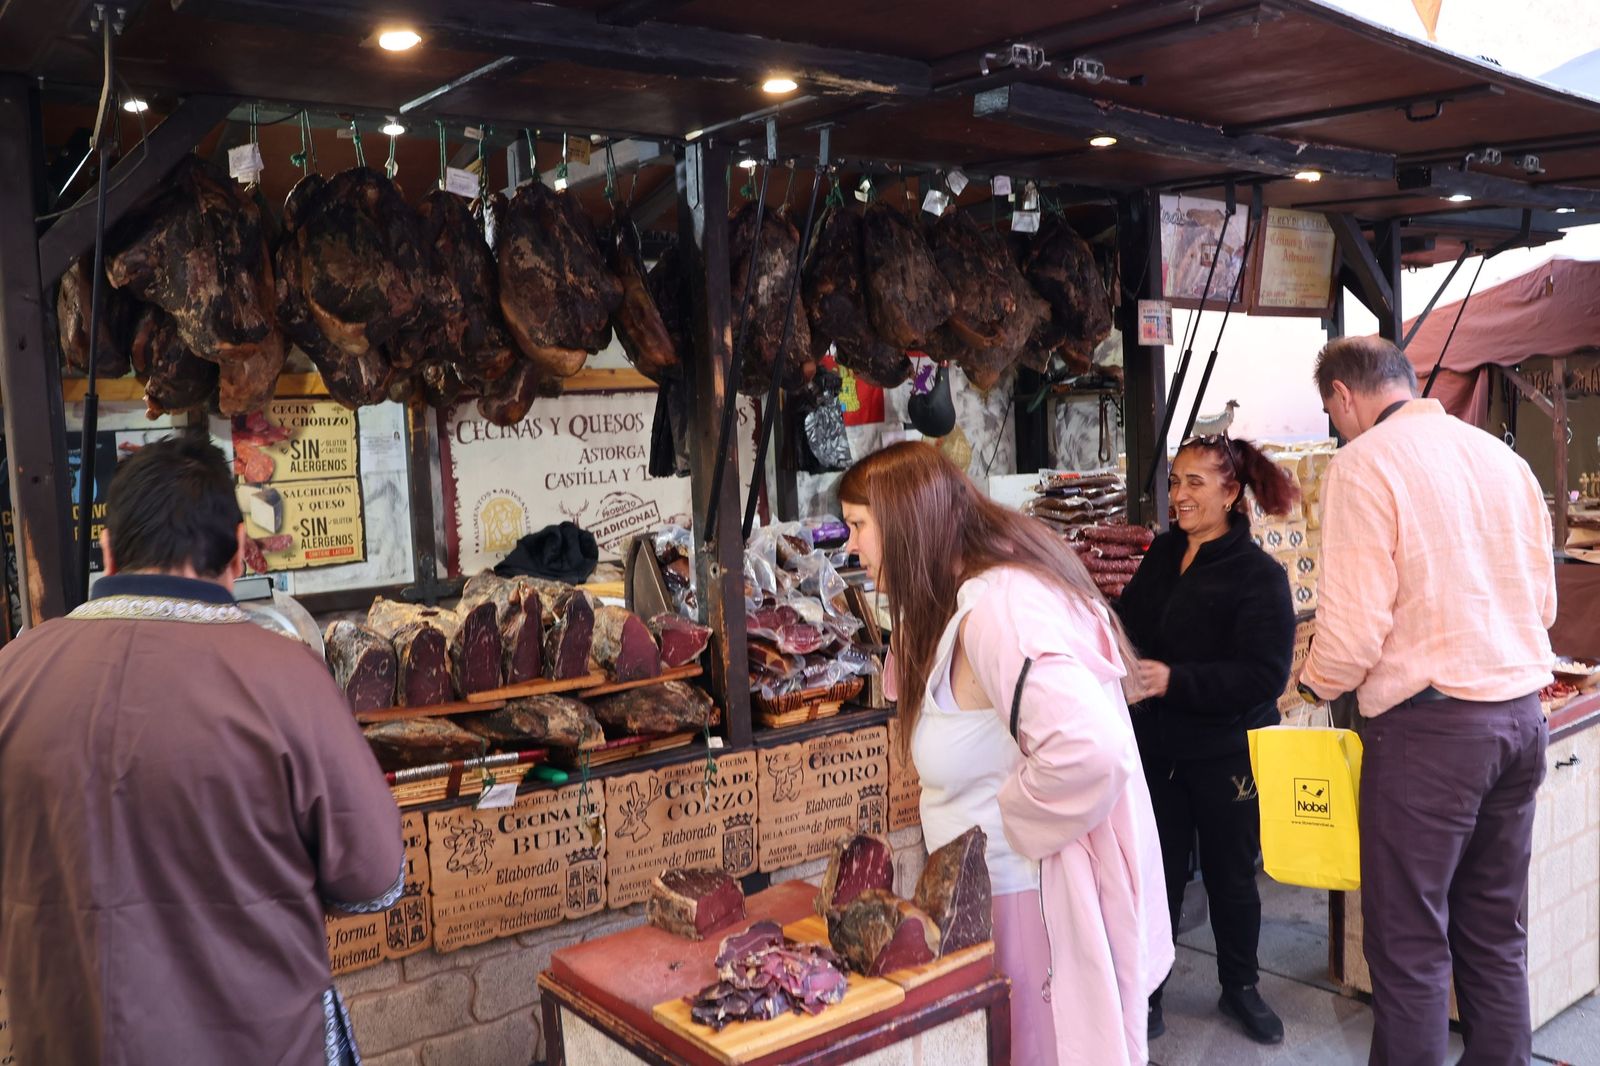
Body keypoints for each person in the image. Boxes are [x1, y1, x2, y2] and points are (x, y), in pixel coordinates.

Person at [0, 435, 405, 1065]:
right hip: (260, 1046)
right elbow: (374, 881)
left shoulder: (11, 674)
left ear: (107, 553)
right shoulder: (287, 676)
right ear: (240, 552)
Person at [840, 441, 1171, 1066]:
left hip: (1021, 907)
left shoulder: (999, 608)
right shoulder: (951, 598)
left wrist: (1012, 823)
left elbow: (1089, 753)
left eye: (859, 525)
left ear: (908, 521)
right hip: (981, 897)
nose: (851, 545)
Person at [1299, 336, 1555, 1066]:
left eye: (1331, 413)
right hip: (1520, 718)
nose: (1336, 426)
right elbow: (1542, 603)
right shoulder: (1504, 459)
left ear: (1344, 397)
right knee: (1495, 935)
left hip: (1429, 736)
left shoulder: (1363, 464)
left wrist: (1312, 683)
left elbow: (1351, 633)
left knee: (1409, 950)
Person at [1115, 433, 1299, 1045]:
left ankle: (1241, 987)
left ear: (1231, 493)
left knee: (1230, 875)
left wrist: (1175, 680)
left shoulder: (1259, 577)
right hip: (1159, 751)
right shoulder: (1165, 554)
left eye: (1196, 483)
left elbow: (1263, 676)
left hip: (1226, 753)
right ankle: (1149, 992)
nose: (1180, 495)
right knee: (1157, 874)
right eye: (1176, 481)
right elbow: (1129, 623)